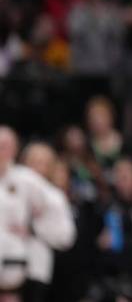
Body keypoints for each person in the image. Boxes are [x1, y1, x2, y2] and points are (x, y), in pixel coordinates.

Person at [0, 127, 76, 302]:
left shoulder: (30, 182)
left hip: (31, 270)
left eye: (5, 145)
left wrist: (33, 229)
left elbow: (65, 235)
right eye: (33, 161)